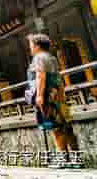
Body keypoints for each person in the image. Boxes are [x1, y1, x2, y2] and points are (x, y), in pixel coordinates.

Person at [27, 33, 80, 164]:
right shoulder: (51, 58)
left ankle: (65, 159)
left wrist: (39, 95)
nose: (30, 48)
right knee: (66, 126)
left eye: (31, 45)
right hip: (57, 95)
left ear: (37, 46)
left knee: (55, 128)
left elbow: (40, 76)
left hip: (48, 96)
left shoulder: (39, 57)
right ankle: (77, 157)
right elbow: (57, 77)